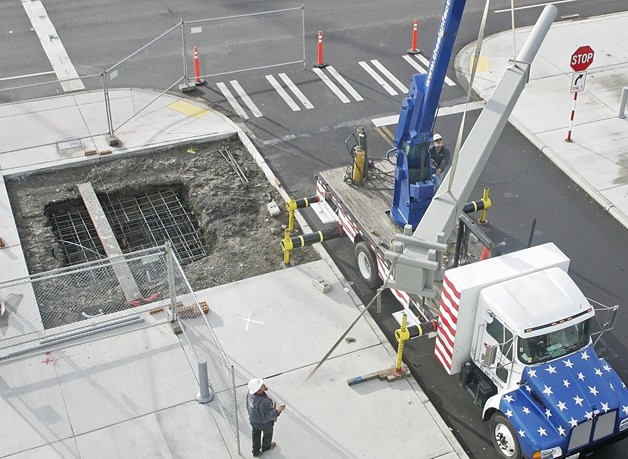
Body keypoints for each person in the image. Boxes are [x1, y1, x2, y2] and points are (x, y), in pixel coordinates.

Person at [247, 378, 285, 457]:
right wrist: (278, 410)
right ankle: (266, 447)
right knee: (268, 434)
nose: (263, 384)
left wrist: (264, 389)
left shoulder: (250, 394)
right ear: (258, 390)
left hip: (253, 420)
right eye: (261, 385)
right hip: (264, 424)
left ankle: (255, 452)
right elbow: (269, 415)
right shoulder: (263, 402)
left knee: (256, 434)